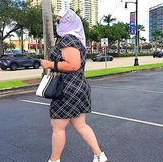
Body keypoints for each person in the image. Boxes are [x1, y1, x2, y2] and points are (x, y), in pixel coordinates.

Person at [40, 9, 108, 162]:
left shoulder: (68, 39)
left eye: (60, 20)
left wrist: (49, 64)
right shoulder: (76, 39)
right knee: (81, 125)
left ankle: (54, 160)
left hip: (67, 88)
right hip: (77, 87)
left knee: (58, 127)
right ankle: (100, 156)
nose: (58, 23)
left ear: (69, 22)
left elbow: (73, 65)